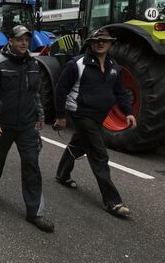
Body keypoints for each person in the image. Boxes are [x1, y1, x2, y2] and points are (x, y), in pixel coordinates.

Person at [53, 27, 137, 217]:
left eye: (105, 41)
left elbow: (120, 92)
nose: (101, 43)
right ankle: (112, 202)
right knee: (99, 153)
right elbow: (60, 89)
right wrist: (60, 116)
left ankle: (62, 174)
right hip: (81, 113)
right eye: (97, 40)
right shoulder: (77, 64)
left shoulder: (114, 66)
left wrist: (128, 113)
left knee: (79, 144)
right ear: (90, 43)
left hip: (100, 114)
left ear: (110, 44)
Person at [0, 25, 54, 232]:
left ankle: (35, 213)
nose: (24, 43)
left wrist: (40, 115)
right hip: (3, 125)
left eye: (26, 40)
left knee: (32, 164)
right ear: (10, 41)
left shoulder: (33, 63)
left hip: (27, 126)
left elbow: (35, 92)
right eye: (20, 39)